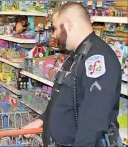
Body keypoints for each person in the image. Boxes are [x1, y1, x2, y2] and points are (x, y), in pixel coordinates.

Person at [23, 2, 122, 147]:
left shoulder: (98, 58)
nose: (54, 34)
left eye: (55, 28)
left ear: (68, 25)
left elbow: (94, 122)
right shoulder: (77, 55)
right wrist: (42, 120)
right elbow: (65, 99)